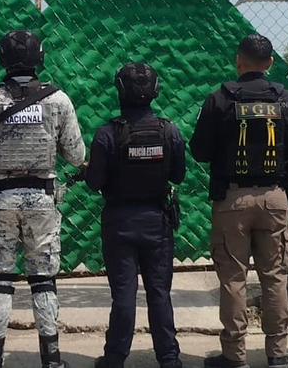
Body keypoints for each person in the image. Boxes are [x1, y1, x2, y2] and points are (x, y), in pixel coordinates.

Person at [0, 30, 86, 368]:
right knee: (43, 279)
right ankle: (52, 358)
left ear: (2, 58)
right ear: (39, 58)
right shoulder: (58, 100)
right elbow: (77, 155)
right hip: (42, 200)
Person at [191, 34, 288, 368]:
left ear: (238, 61)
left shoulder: (220, 100)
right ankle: (278, 355)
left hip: (232, 200)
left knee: (233, 279)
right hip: (275, 199)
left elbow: (200, 150)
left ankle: (234, 355)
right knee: (274, 277)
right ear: (270, 63)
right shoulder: (287, 100)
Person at [85, 62, 186, 368]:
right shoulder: (169, 131)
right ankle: (169, 358)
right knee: (159, 293)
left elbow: (94, 182)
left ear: (119, 91)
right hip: (157, 221)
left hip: (119, 222)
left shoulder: (107, 134)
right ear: (156, 91)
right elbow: (178, 175)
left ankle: (115, 358)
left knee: (123, 295)